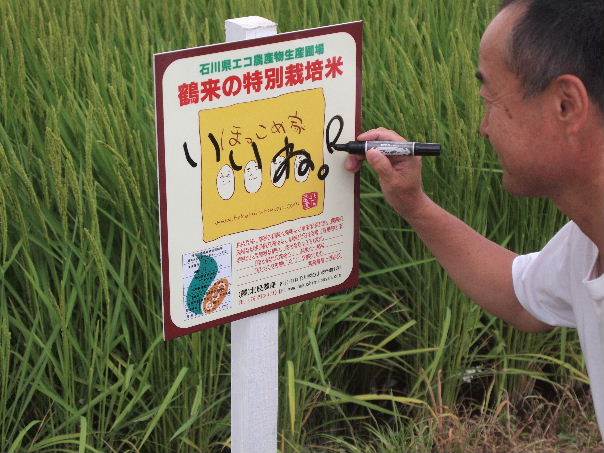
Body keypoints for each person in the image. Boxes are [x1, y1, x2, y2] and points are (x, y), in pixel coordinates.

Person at [345, 0, 604, 439]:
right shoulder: (587, 242)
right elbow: (520, 293)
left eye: (490, 100)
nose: (483, 128)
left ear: (566, 105)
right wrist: (415, 204)